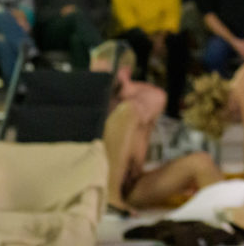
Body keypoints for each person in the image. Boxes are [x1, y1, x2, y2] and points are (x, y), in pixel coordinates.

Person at [90, 41, 222, 215]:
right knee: (127, 111)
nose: (97, 81)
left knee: (202, 162)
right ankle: (111, 199)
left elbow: (153, 103)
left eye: (102, 74)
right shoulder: (93, 101)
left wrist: (123, 98)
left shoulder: (146, 95)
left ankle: (230, 217)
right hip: (100, 185)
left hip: (134, 185)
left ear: (124, 72)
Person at [111, 0, 188, 118]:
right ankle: (137, 105)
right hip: (135, 32)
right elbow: (125, 16)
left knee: (179, 42)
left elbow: (172, 13)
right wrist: (149, 38)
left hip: (162, 33)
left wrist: (161, 37)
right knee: (138, 42)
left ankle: (172, 108)